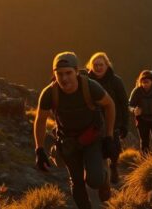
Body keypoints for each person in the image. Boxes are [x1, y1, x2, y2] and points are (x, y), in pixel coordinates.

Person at [34, 51, 118, 209]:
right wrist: (39, 149)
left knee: (94, 180)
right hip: (68, 142)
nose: (64, 78)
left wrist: (109, 137)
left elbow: (110, 105)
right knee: (77, 181)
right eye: (59, 74)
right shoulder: (49, 93)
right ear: (54, 74)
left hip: (92, 137)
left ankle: (104, 178)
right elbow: (40, 120)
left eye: (68, 73)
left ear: (76, 72)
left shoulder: (90, 87)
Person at [86, 51, 129, 184]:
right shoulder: (85, 82)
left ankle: (113, 166)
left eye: (101, 65)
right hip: (93, 123)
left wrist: (125, 125)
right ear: (91, 66)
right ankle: (102, 175)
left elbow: (123, 103)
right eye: (95, 64)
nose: (98, 67)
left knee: (114, 149)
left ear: (107, 65)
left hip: (114, 122)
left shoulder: (116, 81)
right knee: (96, 150)